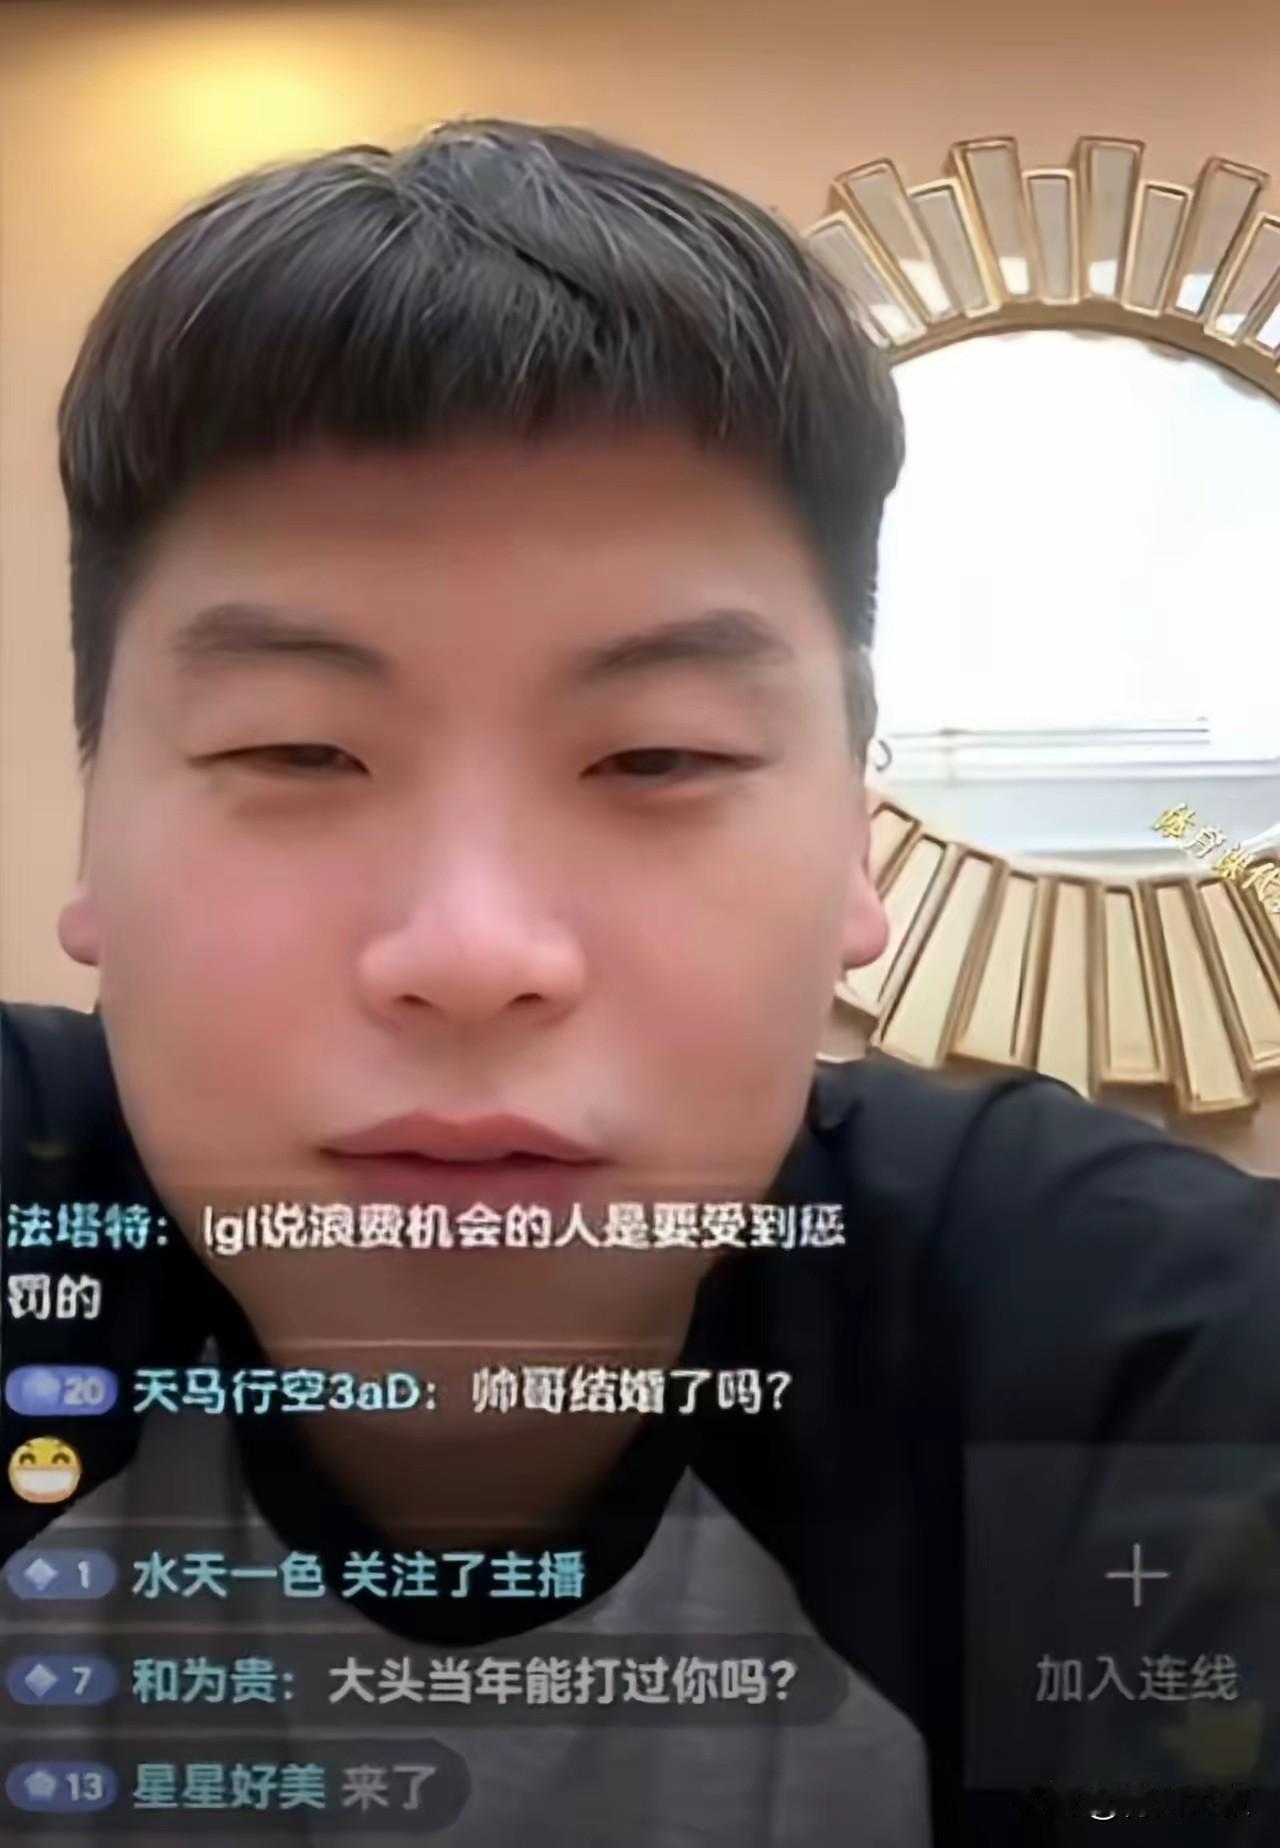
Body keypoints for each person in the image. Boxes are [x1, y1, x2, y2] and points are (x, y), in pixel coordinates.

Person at [2, 119, 1278, 1847]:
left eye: (657, 757)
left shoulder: (1135, 1360)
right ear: (95, 841)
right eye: (296, 750)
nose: (473, 957)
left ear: (856, 849)